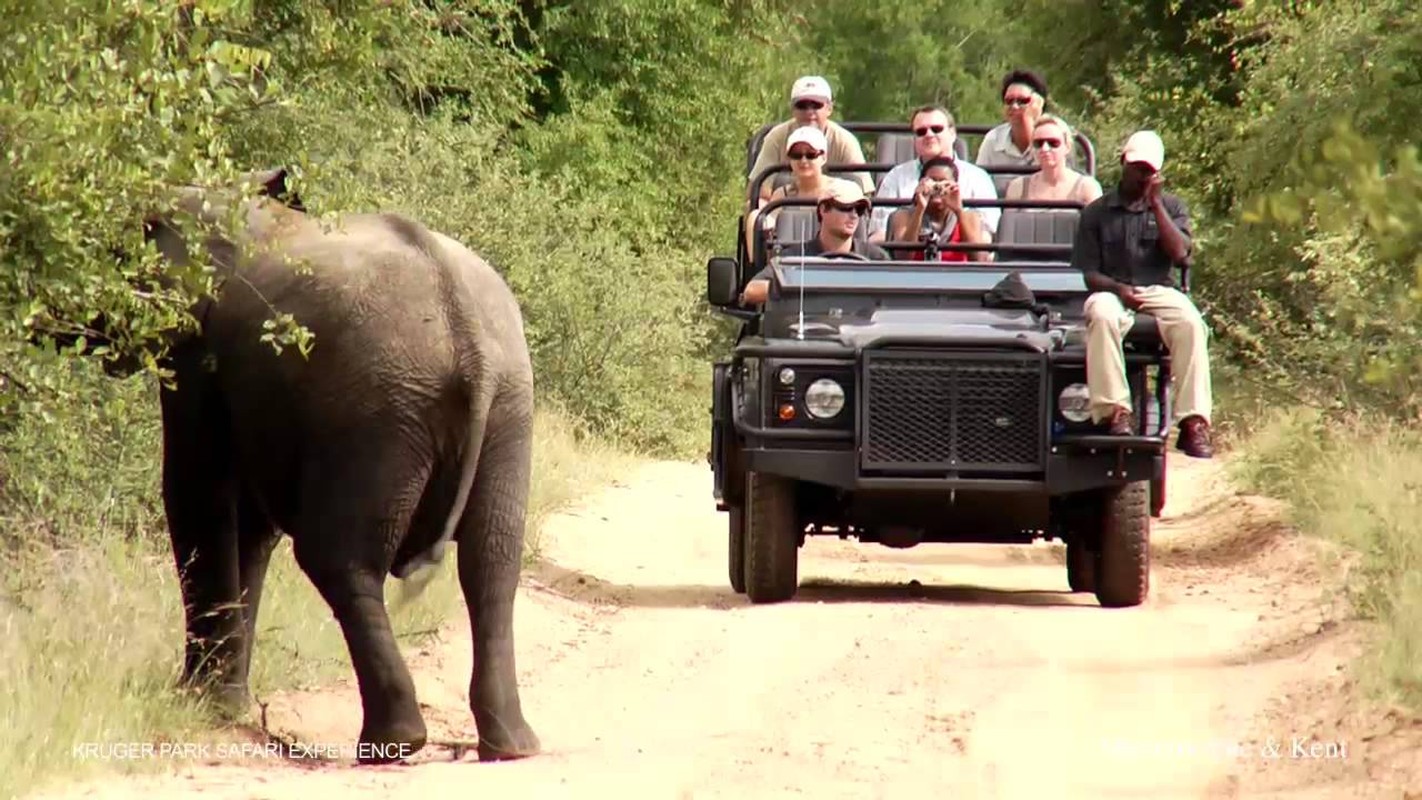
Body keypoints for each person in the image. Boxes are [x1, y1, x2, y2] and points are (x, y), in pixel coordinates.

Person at [1070, 130, 1214, 458]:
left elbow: (1179, 253)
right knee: (1101, 313)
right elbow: (1089, 274)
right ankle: (1116, 411)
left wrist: (1156, 204)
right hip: (1112, 287)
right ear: (1123, 162)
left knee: (1191, 322)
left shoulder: (1173, 207)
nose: (1140, 174)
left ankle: (1193, 421)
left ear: (1158, 174)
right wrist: (1119, 289)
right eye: (1136, 167)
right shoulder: (1096, 212)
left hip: (1158, 289)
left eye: (1148, 170)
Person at [740, 182, 889, 306]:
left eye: (859, 209)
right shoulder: (794, 257)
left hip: (864, 336)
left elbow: (897, 295)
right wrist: (801, 285)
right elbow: (752, 291)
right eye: (846, 208)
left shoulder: (876, 258)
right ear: (823, 209)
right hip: (806, 333)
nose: (854, 215)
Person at [870, 105, 999, 243]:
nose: (929, 134)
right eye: (921, 131)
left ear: (953, 133)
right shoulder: (895, 177)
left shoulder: (978, 178)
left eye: (936, 129)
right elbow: (878, 235)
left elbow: (987, 237)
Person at [747, 76, 874, 205]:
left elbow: (863, 193)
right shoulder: (776, 137)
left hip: (836, 212)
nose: (809, 112)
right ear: (793, 109)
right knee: (754, 208)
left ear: (829, 108)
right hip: (786, 211)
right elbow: (759, 192)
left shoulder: (845, 142)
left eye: (816, 105)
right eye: (802, 106)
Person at [745, 125, 862, 247]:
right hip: (793, 261)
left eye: (811, 154)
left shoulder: (846, 190)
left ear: (824, 157)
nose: (803, 160)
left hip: (838, 261)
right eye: (796, 155)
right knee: (754, 217)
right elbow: (768, 225)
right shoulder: (782, 195)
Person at [976, 69, 1078, 193]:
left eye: (1022, 101)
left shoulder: (1058, 136)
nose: (1014, 106)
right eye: (1009, 101)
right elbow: (980, 184)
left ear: (1039, 104)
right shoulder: (992, 140)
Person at [885, 156, 990, 262]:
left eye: (944, 183)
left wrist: (959, 211)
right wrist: (919, 208)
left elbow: (979, 259)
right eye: (933, 182)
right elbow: (902, 257)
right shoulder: (904, 216)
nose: (938, 189)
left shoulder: (970, 217)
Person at [1002, 115, 1102, 205]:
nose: (1045, 149)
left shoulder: (1087, 188)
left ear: (1067, 146)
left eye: (1053, 143)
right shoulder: (1018, 188)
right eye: (1038, 143)